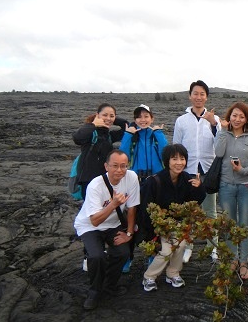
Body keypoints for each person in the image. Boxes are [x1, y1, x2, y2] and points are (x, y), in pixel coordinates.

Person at [73, 150, 140, 310]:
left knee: (122, 253)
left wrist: (129, 234)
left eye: (123, 166)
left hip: (113, 224)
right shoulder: (95, 185)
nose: (119, 170)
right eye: (115, 166)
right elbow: (95, 221)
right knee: (96, 257)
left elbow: (132, 208)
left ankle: (109, 285)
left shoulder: (131, 177)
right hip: (89, 226)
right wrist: (113, 204)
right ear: (106, 166)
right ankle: (94, 291)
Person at [141, 144, 206, 291]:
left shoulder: (186, 179)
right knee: (166, 250)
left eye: (182, 159)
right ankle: (149, 277)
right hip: (156, 226)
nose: (179, 162)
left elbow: (194, 202)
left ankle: (172, 273)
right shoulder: (154, 181)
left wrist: (199, 187)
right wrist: (153, 233)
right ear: (166, 161)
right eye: (174, 159)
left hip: (176, 224)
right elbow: (145, 210)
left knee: (181, 244)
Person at [73, 103, 128, 271]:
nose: (109, 119)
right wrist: (94, 122)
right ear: (97, 115)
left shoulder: (108, 135)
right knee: (92, 216)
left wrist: (110, 118)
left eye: (112, 116)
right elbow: (77, 137)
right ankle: (89, 255)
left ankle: (105, 249)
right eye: (105, 115)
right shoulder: (90, 132)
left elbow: (127, 126)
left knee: (107, 212)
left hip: (106, 182)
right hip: (88, 181)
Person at [172, 80, 221, 263]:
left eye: (202, 94)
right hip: (188, 170)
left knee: (210, 211)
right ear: (190, 95)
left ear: (206, 97)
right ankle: (188, 246)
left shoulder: (214, 119)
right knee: (189, 211)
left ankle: (213, 247)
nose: (198, 97)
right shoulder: (181, 120)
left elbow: (220, 145)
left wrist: (214, 125)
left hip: (208, 170)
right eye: (195, 93)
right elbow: (176, 146)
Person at [119, 103, 168, 273]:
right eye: (139, 117)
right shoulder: (132, 136)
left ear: (152, 118)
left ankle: (152, 254)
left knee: (153, 220)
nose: (143, 119)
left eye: (146, 116)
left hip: (154, 183)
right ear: (135, 120)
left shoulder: (155, 136)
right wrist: (127, 135)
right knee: (129, 221)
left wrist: (158, 133)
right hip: (134, 183)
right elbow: (122, 155)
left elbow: (166, 153)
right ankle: (127, 256)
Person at [214, 102, 248, 280]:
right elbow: (218, 153)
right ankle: (232, 260)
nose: (237, 119)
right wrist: (223, 131)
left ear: (247, 119)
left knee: (245, 226)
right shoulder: (223, 134)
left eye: (241, 116)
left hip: (246, 187)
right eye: (234, 115)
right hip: (226, 186)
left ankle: (244, 263)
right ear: (229, 117)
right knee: (229, 226)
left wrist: (242, 171)